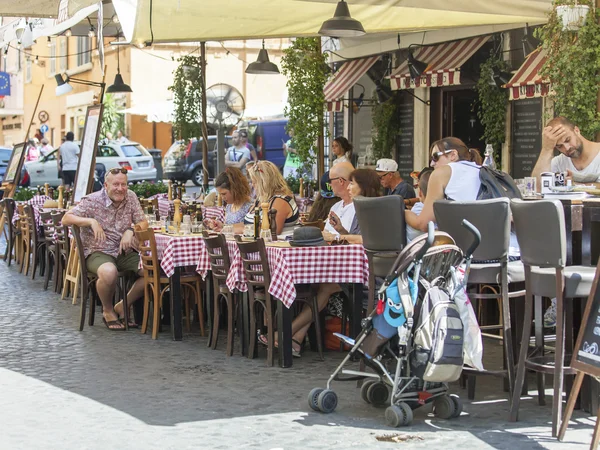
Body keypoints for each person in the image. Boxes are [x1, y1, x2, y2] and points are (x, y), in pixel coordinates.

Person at [259, 167, 382, 356]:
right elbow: (352, 236)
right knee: (318, 287)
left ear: (362, 186)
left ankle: (285, 333)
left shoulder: (369, 208)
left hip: (362, 271)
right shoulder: (348, 206)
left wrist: (341, 236)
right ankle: (294, 340)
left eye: (353, 183)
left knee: (324, 288)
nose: (349, 186)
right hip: (342, 265)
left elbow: (365, 239)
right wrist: (340, 230)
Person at [61, 168, 148, 331]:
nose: (120, 188)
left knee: (153, 272)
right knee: (109, 272)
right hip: (97, 251)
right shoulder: (92, 200)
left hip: (124, 251)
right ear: (106, 185)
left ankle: (123, 305)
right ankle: (108, 310)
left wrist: (131, 230)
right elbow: (66, 218)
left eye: (124, 184)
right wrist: (91, 222)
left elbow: (143, 222)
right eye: (116, 184)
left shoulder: (131, 197)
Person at [405, 137, 483, 232]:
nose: (431, 164)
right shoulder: (483, 171)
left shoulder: (442, 173)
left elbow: (424, 224)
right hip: (497, 242)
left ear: (453, 155)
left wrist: (404, 213)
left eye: (435, 157)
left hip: (464, 243)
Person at [532, 116, 600, 186]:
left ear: (576, 131)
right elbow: (537, 187)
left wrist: (574, 185)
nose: (567, 148)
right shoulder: (559, 162)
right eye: (560, 146)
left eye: (568, 140)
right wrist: (546, 148)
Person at [244, 160, 299, 236]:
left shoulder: (281, 200)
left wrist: (244, 229)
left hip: (280, 246)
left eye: (255, 182)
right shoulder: (261, 199)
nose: (253, 186)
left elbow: (272, 231)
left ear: (265, 183)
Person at [204, 167, 253, 232]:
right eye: (220, 194)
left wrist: (225, 228)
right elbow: (229, 226)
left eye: (224, 194)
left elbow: (250, 227)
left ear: (235, 189)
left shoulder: (249, 207)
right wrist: (221, 225)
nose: (222, 197)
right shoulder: (229, 206)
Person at [322, 162, 356, 238]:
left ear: (341, 181)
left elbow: (358, 240)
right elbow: (325, 233)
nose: (329, 184)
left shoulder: (359, 208)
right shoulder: (335, 206)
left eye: (330, 181)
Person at [406, 168, 433, 242]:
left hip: (417, 252)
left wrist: (406, 212)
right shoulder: (444, 212)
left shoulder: (417, 209)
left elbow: (422, 225)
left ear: (420, 192)